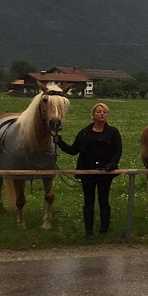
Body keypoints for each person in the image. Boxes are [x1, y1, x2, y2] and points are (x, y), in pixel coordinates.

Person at [55, 102, 122, 238]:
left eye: (104, 112)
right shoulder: (85, 132)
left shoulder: (113, 132)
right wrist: (60, 142)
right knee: (88, 201)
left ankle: (104, 229)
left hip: (105, 173)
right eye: (98, 111)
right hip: (87, 173)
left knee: (104, 200)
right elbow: (73, 150)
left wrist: (112, 164)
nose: (102, 114)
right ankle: (89, 231)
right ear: (93, 115)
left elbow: (117, 151)